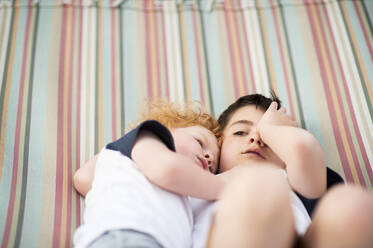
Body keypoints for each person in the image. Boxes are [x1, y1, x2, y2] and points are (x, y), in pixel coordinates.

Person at [207, 93, 373, 248]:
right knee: (256, 184)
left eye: (268, 138)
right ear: (217, 144)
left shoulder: (295, 181)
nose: (256, 138)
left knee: (354, 204)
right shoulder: (198, 175)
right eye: (240, 132)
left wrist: (270, 129)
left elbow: (302, 148)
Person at [73, 100, 225, 248]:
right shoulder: (146, 138)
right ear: (165, 129)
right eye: (200, 142)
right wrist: (228, 189)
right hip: (126, 236)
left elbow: (84, 178)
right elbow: (168, 170)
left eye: (213, 168)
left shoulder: (180, 192)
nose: (209, 157)